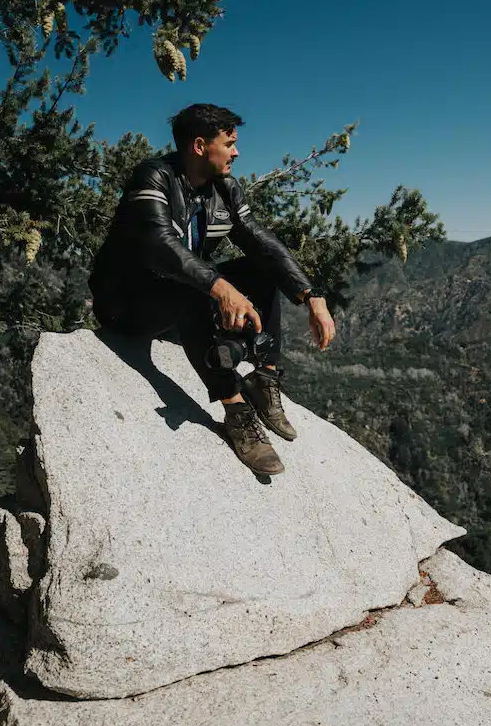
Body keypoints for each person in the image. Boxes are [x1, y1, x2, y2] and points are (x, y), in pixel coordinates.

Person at [89, 103, 336, 476]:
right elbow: (159, 244)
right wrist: (220, 287)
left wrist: (310, 295)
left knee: (259, 270)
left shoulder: (224, 188)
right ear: (201, 146)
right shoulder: (154, 177)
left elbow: (260, 243)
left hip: (182, 296)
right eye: (230, 143)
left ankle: (263, 379)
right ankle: (236, 410)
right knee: (197, 286)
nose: (236, 152)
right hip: (128, 305)